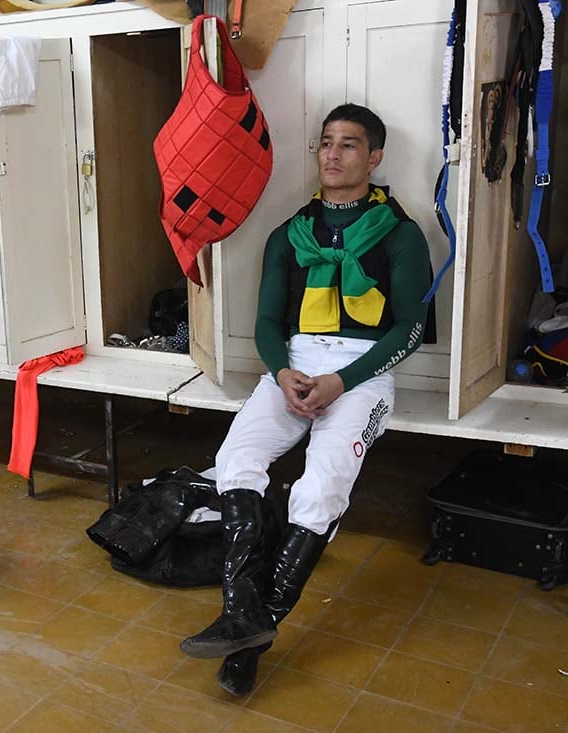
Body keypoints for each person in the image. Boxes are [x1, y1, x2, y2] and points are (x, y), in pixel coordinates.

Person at [179, 104, 433, 696]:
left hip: (361, 375)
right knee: (235, 461)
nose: (333, 154)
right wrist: (282, 370)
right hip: (293, 365)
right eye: (325, 143)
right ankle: (243, 616)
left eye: (349, 145)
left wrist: (342, 381)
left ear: (374, 158)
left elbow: (409, 329)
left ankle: (251, 639)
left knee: (320, 490)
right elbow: (267, 320)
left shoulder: (402, 235)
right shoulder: (287, 235)